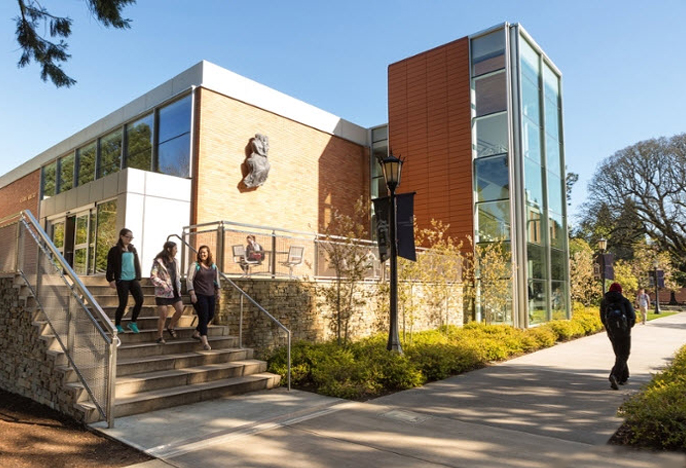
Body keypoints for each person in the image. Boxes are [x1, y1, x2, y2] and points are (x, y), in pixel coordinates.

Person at [105, 228, 144, 334]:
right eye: (128, 237)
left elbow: (136, 263)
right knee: (123, 303)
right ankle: (117, 324)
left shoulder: (132, 249)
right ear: (121, 236)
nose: (130, 239)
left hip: (133, 279)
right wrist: (110, 279)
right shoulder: (114, 250)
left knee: (140, 300)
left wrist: (138, 277)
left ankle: (133, 322)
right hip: (122, 280)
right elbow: (110, 265)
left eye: (131, 237)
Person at [600, 282, 636, 390]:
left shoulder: (604, 302)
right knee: (624, 354)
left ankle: (623, 377)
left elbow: (603, 319)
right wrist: (628, 326)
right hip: (624, 332)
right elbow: (632, 316)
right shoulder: (624, 301)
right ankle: (614, 375)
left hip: (612, 333)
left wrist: (609, 328)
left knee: (619, 354)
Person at [186, 245, 221, 350]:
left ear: (208, 253)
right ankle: (205, 341)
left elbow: (216, 280)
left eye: (204, 252)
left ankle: (196, 332)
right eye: (201, 252)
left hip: (210, 295)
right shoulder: (195, 265)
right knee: (204, 316)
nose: (202, 254)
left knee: (210, 315)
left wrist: (218, 291)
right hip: (198, 295)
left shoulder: (213, 267)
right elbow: (189, 279)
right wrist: (192, 293)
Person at [150, 241, 184, 344]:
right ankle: (159, 336)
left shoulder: (176, 261)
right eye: (175, 249)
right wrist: (163, 284)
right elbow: (153, 276)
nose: (177, 251)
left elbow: (177, 275)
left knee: (180, 309)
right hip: (163, 292)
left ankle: (171, 326)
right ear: (169, 249)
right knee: (163, 315)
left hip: (174, 291)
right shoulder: (159, 261)